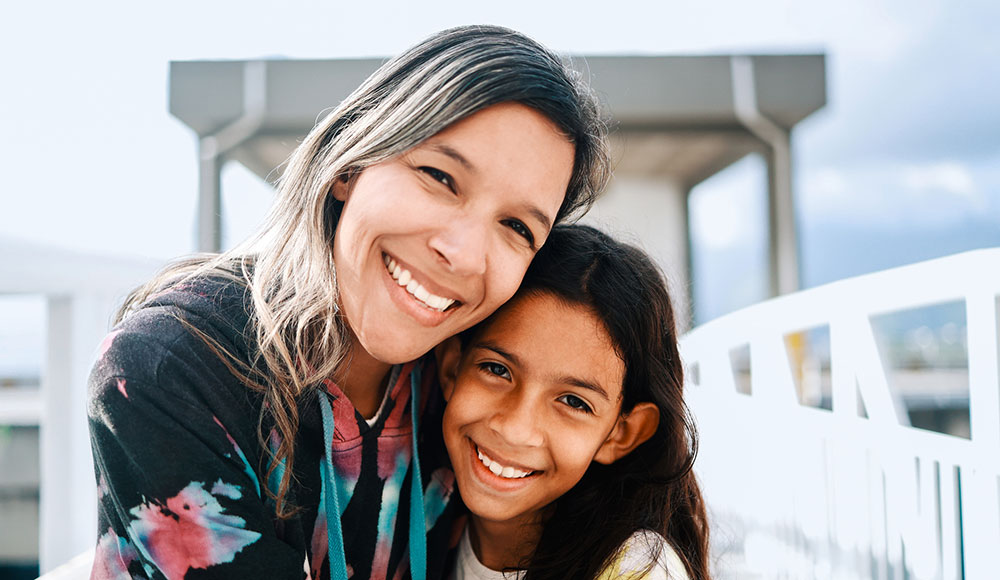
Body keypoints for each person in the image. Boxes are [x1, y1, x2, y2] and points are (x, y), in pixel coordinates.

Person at [88, 26, 610, 580]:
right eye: (439, 177)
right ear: (349, 165)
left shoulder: (465, 388)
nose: (462, 255)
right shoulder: (172, 368)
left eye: (517, 227)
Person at [437, 225, 711, 580]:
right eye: (497, 369)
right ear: (451, 368)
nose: (515, 428)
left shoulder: (638, 570)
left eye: (573, 402)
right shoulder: (421, 513)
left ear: (620, 434)